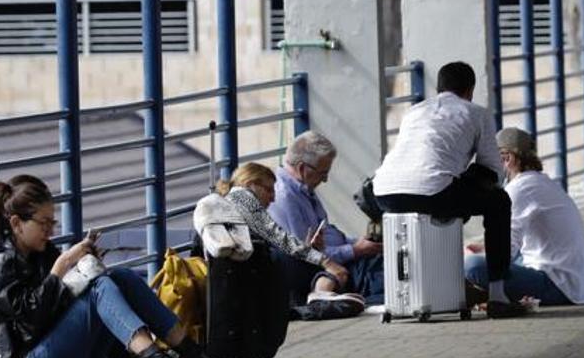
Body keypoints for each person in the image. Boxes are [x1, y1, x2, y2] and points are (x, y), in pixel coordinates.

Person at [0, 175, 243, 358]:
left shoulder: (40, 250)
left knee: (120, 278)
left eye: (52, 222)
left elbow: (59, 303)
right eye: (44, 223)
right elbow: (32, 317)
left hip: (55, 356)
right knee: (100, 288)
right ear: (16, 223)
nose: (50, 231)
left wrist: (83, 270)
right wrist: (62, 266)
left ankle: (191, 355)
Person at [372, 61, 526, 319]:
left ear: (438, 87)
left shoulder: (415, 111)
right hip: (433, 191)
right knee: (499, 201)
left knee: (451, 190)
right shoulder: (476, 113)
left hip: (385, 193)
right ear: (470, 90)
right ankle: (498, 294)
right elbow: (493, 171)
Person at [463, 128, 584, 307]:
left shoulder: (519, 190)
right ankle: (486, 294)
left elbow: (506, 252)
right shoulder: (541, 183)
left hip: (556, 285)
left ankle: (489, 295)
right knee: (485, 258)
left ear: (507, 158)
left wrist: (476, 256)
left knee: (472, 265)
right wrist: (485, 248)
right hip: (573, 283)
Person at [209, 162, 359, 308]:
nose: (273, 198)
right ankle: (320, 294)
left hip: (247, 273)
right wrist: (325, 261)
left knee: (312, 261)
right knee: (331, 269)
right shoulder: (243, 199)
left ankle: (320, 293)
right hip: (255, 274)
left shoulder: (228, 201)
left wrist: (309, 249)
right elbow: (279, 237)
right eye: (269, 190)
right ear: (250, 184)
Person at [268, 131, 384, 305]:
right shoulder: (285, 198)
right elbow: (307, 255)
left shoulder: (303, 189)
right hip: (328, 269)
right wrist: (355, 250)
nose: (325, 180)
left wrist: (357, 244)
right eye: (323, 174)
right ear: (302, 168)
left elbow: (325, 233)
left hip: (339, 261)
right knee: (388, 276)